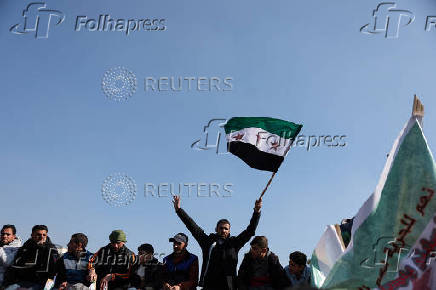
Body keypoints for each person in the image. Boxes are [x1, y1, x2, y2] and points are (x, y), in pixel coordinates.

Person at [172, 195, 262, 290]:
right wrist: (179, 210)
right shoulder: (207, 242)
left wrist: (256, 212)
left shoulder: (234, 243)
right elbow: (192, 226)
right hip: (210, 285)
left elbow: (250, 230)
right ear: (216, 229)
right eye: (221, 228)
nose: (223, 230)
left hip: (229, 286)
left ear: (229, 231)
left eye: (226, 228)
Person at [4, 225, 59, 290]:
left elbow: (53, 273)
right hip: (22, 282)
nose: (41, 237)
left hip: (41, 283)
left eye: (44, 235)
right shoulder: (25, 248)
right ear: (32, 235)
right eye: (38, 234)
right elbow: (17, 265)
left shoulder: (51, 249)